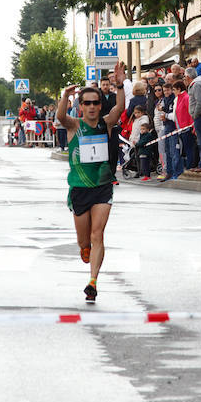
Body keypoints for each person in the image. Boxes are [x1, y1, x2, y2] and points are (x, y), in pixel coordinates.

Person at [57, 62, 126, 302]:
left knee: (98, 235)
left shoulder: (106, 124)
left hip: (102, 186)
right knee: (84, 241)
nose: (92, 107)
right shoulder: (75, 125)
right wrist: (65, 96)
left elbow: (120, 107)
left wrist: (120, 84)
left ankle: (93, 281)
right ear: (81, 105)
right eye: (87, 103)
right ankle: (84, 250)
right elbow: (60, 116)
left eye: (96, 102)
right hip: (79, 188)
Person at [172, 80, 195, 170]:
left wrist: (191, 126)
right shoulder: (179, 98)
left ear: (179, 89)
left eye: (174, 90)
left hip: (187, 128)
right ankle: (187, 166)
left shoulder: (186, 97)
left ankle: (190, 166)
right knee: (184, 149)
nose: (173, 92)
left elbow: (190, 113)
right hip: (181, 128)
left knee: (189, 149)